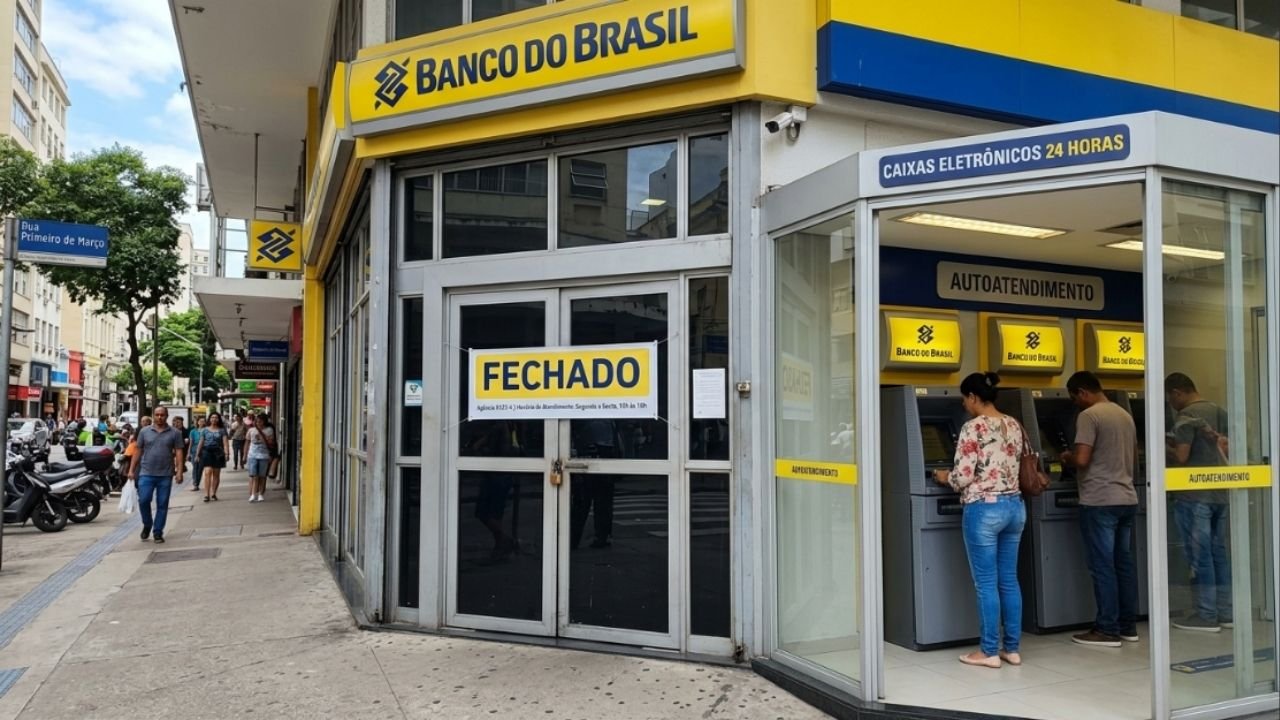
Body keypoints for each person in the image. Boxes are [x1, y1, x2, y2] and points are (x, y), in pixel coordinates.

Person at [933, 372, 1026, 668]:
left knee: (986, 583)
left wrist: (943, 476)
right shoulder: (1014, 424)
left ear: (973, 397)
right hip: (1015, 508)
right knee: (1008, 580)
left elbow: (962, 476)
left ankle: (988, 651)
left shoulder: (972, 428)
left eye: (964, 399)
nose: (964, 405)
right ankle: (1011, 649)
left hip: (984, 509)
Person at [1060, 371, 1139, 647]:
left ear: (1082, 392)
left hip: (1100, 500)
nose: (1076, 404)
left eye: (1074, 398)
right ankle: (1127, 626)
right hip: (1126, 498)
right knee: (1123, 565)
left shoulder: (1089, 415)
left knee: (1103, 566)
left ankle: (1107, 629)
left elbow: (1082, 459)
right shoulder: (1124, 414)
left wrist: (1066, 457)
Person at [1165, 372, 1233, 633]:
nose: (1171, 404)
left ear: (1177, 392)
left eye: (1170, 398)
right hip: (1220, 493)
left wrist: (1161, 447)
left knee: (1200, 556)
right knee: (1219, 554)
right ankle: (1225, 612)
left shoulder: (1187, 416)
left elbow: (1182, 456)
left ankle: (1206, 615)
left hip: (1194, 496)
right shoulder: (1218, 410)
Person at [129, 407, 185, 544]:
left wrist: (179, 471)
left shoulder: (175, 433)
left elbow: (179, 452)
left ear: (167, 416)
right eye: (157, 415)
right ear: (153, 416)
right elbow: (138, 450)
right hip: (146, 472)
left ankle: (158, 531)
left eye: (162, 415)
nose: (160, 417)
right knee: (144, 500)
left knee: (162, 504)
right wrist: (131, 469)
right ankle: (147, 523)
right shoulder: (144, 431)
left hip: (165, 474)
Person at [199, 413, 231, 503]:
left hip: (218, 453)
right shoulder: (204, 430)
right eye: (212, 417)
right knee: (207, 472)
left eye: (216, 417)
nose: (214, 419)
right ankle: (206, 494)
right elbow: (201, 442)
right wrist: (197, 454)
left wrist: (227, 454)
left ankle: (213, 493)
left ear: (218, 419)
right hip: (207, 452)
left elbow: (225, 443)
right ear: (209, 419)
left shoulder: (222, 430)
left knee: (216, 474)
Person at [245, 413, 274, 503]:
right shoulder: (251, 430)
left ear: (264, 422)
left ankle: (261, 494)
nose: (258, 423)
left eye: (260, 421)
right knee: (254, 475)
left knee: (262, 475)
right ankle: (253, 494)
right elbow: (247, 442)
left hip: (264, 455)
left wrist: (262, 437)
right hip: (252, 455)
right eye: (257, 421)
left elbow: (270, 442)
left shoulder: (269, 430)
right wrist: (244, 455)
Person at [188, 417, 206, 493]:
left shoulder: (206, 431)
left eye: (203, 421)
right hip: (194, 451)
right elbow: (191, 443)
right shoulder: (193, 431)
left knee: (200, 468)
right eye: (200, 421)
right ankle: (195, 484)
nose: (202, 422)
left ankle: (197, 483)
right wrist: (188, 453)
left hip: (204, 451)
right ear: (197, 422)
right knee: (195, 467)